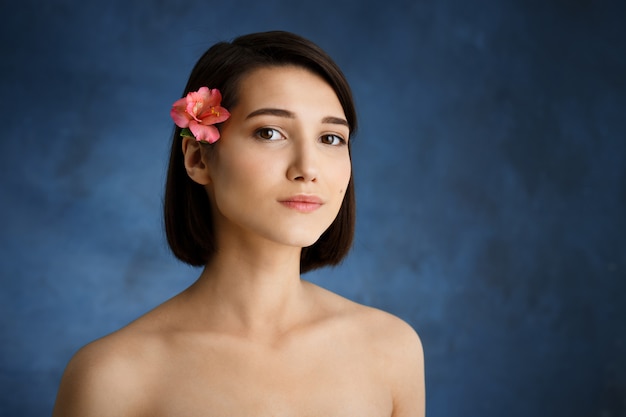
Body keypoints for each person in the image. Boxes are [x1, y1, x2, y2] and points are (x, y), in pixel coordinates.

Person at [52, 30, 425, 416]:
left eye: (330, 138)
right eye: (269, 132)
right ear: (198, 157)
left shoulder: (392, 349)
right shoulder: (112, 376)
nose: (308, 169)